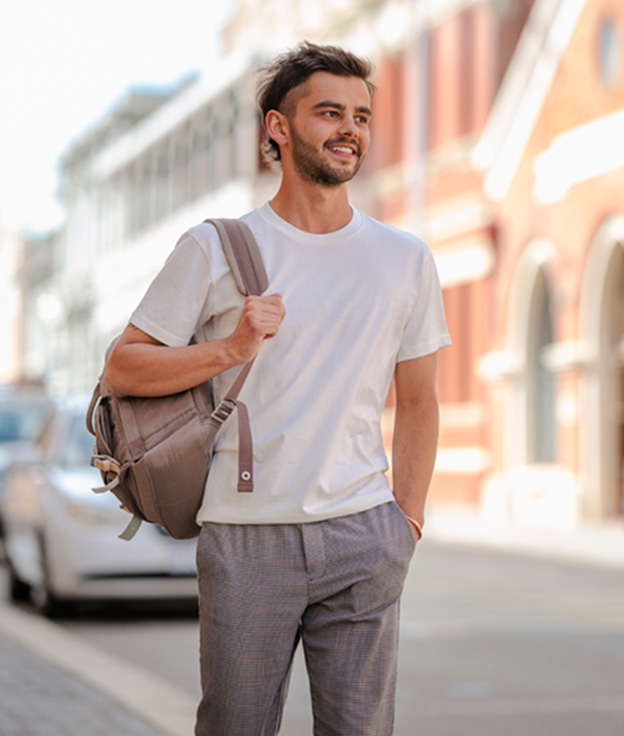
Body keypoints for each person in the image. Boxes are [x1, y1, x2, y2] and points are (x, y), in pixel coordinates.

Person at [105, 41, 451, 736]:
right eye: (329, 112)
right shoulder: (216, 247)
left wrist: (404, 524)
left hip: (363, 535)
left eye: (360, 115)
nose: (350, 129)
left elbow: (419, 400)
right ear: (278, 128)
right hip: (245, 540)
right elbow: (123, 368)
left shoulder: (404, 258)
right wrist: (232, 348)